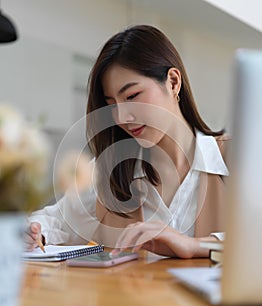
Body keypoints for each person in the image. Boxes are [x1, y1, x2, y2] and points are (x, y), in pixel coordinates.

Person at [25, 24, 229, 258]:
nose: (121, 117)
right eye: (112, 104)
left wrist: (194, 246)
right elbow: (53, 222)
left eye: (132, 96)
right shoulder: (109, 172)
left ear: (173, 82)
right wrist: (34, 234)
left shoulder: (237, 157)